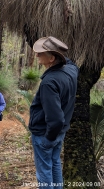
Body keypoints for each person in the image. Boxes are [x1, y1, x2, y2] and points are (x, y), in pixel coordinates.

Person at [29, 36, 78, 187]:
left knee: (44, 173)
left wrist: (48, 138)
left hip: (46, 133)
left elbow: (55, 118)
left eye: (41, 53)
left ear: (51, 58)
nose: (37, 55)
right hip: (60, 132)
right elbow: (69, 62)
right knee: (55, 164)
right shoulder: (71, 70)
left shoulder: (49, 82)